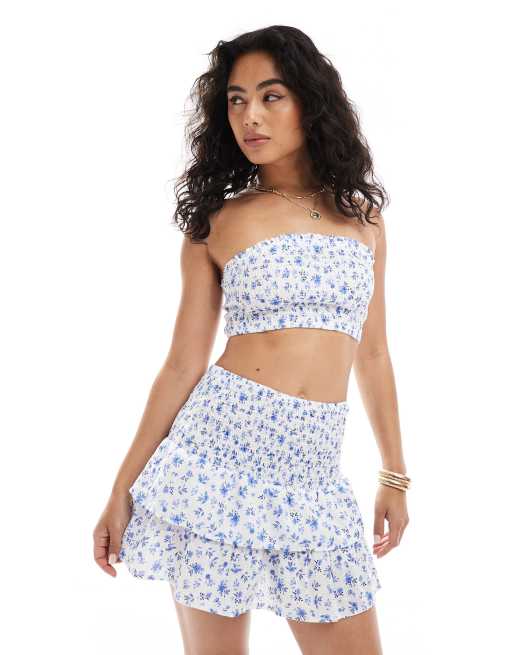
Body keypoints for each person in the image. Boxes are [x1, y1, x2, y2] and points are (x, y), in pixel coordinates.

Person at [93, 25, 410, 655]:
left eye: (271, 96)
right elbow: (182, 365)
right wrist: (121, 489)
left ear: (310, 103)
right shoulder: (218, 222)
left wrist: (394, 475)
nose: (250, 116)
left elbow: (373, 352)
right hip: (216, 462)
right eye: (236, 100)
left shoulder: (363, 216)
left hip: (313, 475)